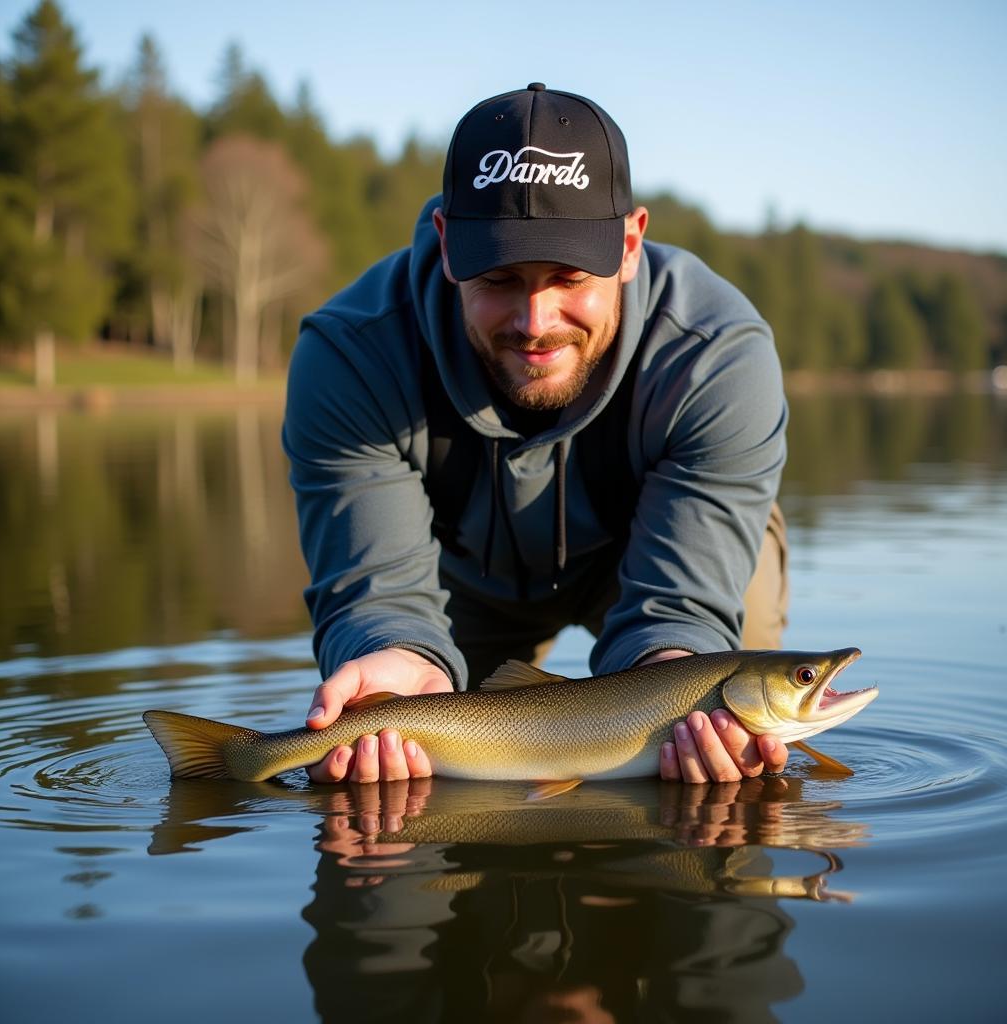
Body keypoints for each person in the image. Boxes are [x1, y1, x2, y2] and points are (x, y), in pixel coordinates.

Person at [283, 84, 790, 787]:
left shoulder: (715, 356)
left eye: (568, 276)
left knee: (735, 672)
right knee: (427, 773)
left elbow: (681, 603)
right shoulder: (351, 356)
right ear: (447, 246)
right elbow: (381, 590)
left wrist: (681, 671)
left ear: (631, 243)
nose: (534, 319)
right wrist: (391, 648)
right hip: (456, 583)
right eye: (499, 277)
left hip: (644, 558)